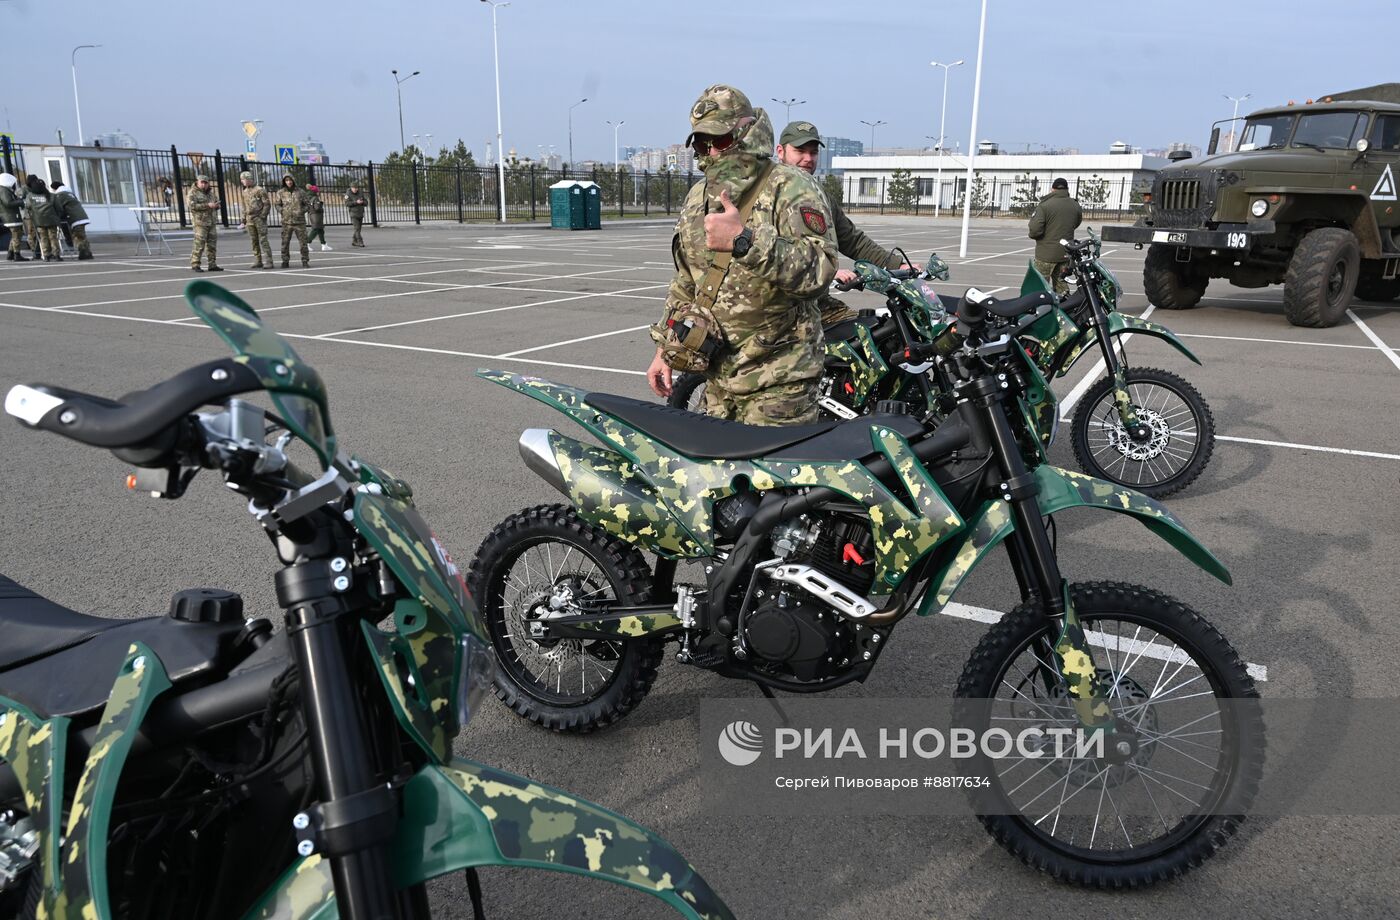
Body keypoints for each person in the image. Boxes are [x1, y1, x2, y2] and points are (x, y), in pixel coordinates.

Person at [647, 84, 836, 426]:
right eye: (702, 143)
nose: (712, 152)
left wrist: (744, 241)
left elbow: (820, 270)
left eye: (719, 140)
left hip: (780, 380)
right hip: (717, 378)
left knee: (774, 478)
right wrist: (664, 349)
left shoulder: (790, 186)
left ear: (746, 132)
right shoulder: (697, 198)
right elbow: (688, 283)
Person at [776, 120, 909, 325]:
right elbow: (764, 252)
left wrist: (896, 265)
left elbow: (852, 240)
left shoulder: (820, 197)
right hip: (776, 306)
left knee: (867, 332)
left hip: (815, 302)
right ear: (780, 151)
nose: (807, 158)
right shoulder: (767, 195)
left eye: (813, 152)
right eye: (799, 151)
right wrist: (829, 273)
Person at [1028, 177, 1083, 295]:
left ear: (1052, 189)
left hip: (1046, 254)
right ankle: (1065, 309)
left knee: (1039, 287)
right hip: (1066, 252)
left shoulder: (1044, 205)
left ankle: (1041, 310)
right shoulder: (1074, 205)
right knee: (1062, 286)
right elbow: (1076, 223)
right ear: (1067, 189)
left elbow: (1035, 230)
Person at [187, 174, 223, 272]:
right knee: (199, 244)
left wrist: (216, 205)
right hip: (200, 223)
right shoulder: (193, 193)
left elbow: (215, 202)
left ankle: (212, 264)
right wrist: (207, 205)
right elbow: (192, 206)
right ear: (197, 182)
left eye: (205, 183)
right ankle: (195, 264)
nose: (204, 185)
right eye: (201, 182)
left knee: (212, 244)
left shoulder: (211, 193)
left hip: (211, 222)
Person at [50, 180, 93, 260]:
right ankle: (88, 253)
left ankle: (83, 253)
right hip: (82, 217)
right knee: (82, 236)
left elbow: (59, 208)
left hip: (75, 218)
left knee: (78, 237)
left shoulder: (60, 195)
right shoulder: (70, 194)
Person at [238, 171, 272, 269]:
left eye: (243, 179)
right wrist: (243, 219)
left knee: (263, 240)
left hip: (259, 219)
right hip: (249, 220)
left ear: (249, 179)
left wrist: (262, 216)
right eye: (242, 180)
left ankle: (269, 261)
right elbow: (244, 206)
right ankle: (258, 260)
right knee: (254, 241)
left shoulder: (260, 190)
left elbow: (267, 204)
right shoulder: (244, 192)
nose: (243, 181)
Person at [274, 174, 310, 268]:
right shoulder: (281, 192)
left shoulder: (300, 192)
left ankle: (305, 260)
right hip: (286, 222)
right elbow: (277, 204)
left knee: (303, 243)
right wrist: (282, 211)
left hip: (299, 222)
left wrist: (301, 211)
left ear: (293, 180)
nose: (289, 182)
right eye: (286, 180)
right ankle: (285, 261)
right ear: (284, 182)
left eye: (290, 180)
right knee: (285, 243)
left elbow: (307, 204)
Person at [23, 175, 61, 262]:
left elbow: (28, 206)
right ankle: (56, 255)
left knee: (43, 238)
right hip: (51, 219)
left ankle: (46, 255)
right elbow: (58, 208)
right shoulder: (51, 195)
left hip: (39, 220)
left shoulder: (30, 196)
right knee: (53, 237)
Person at [0, 174, 29, 261]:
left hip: (9, 216)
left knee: (15, 235)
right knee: (16, 235)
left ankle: (11, 253)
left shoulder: (4, 190)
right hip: (11, 216)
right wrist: (20, 202)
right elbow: (8, 202)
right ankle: (17, 254)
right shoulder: (4, 190)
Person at [305, 184, 329, 251]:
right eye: (317, 191)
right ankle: (307, 243)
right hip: (317, 216)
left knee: (320, 230)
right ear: (315, 192)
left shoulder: (308, 197)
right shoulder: (315, 198)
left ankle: (324, 244)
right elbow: (317, 208)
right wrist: (320, 204)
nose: (318, 192)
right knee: (315, 230)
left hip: (312, 214)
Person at [345, 180, 367, 247]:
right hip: (353, 213)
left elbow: (366, 202)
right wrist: (356, 202)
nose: (355, 189)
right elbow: (347, 204)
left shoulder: (360, 193)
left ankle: (354, 241)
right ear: (351, 188)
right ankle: (360, 242)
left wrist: (362, 202)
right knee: (357, 228)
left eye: (356, 188)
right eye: (354, 188)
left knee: (358, 229)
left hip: (360, 213)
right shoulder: (348, 194)